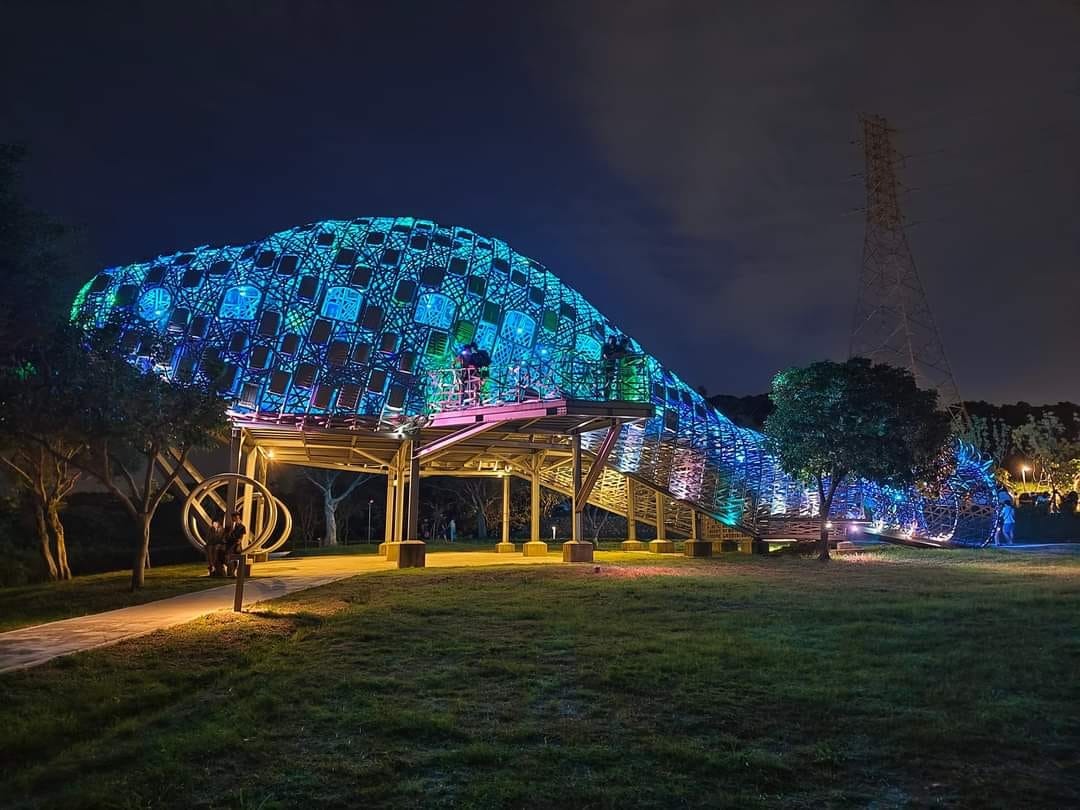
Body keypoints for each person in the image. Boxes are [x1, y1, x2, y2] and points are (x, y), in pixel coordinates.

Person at [224, 509, 247, 577]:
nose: (235, 518)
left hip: (236, 545)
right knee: (228, 558)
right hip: (229, 544)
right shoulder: (229, 526)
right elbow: (226, 535)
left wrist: (238, 541)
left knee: (236, 559)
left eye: (237, 517)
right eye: (234, 517)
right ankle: (229, 571)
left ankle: (234, 572)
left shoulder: (242, 527)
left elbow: (241, 536)